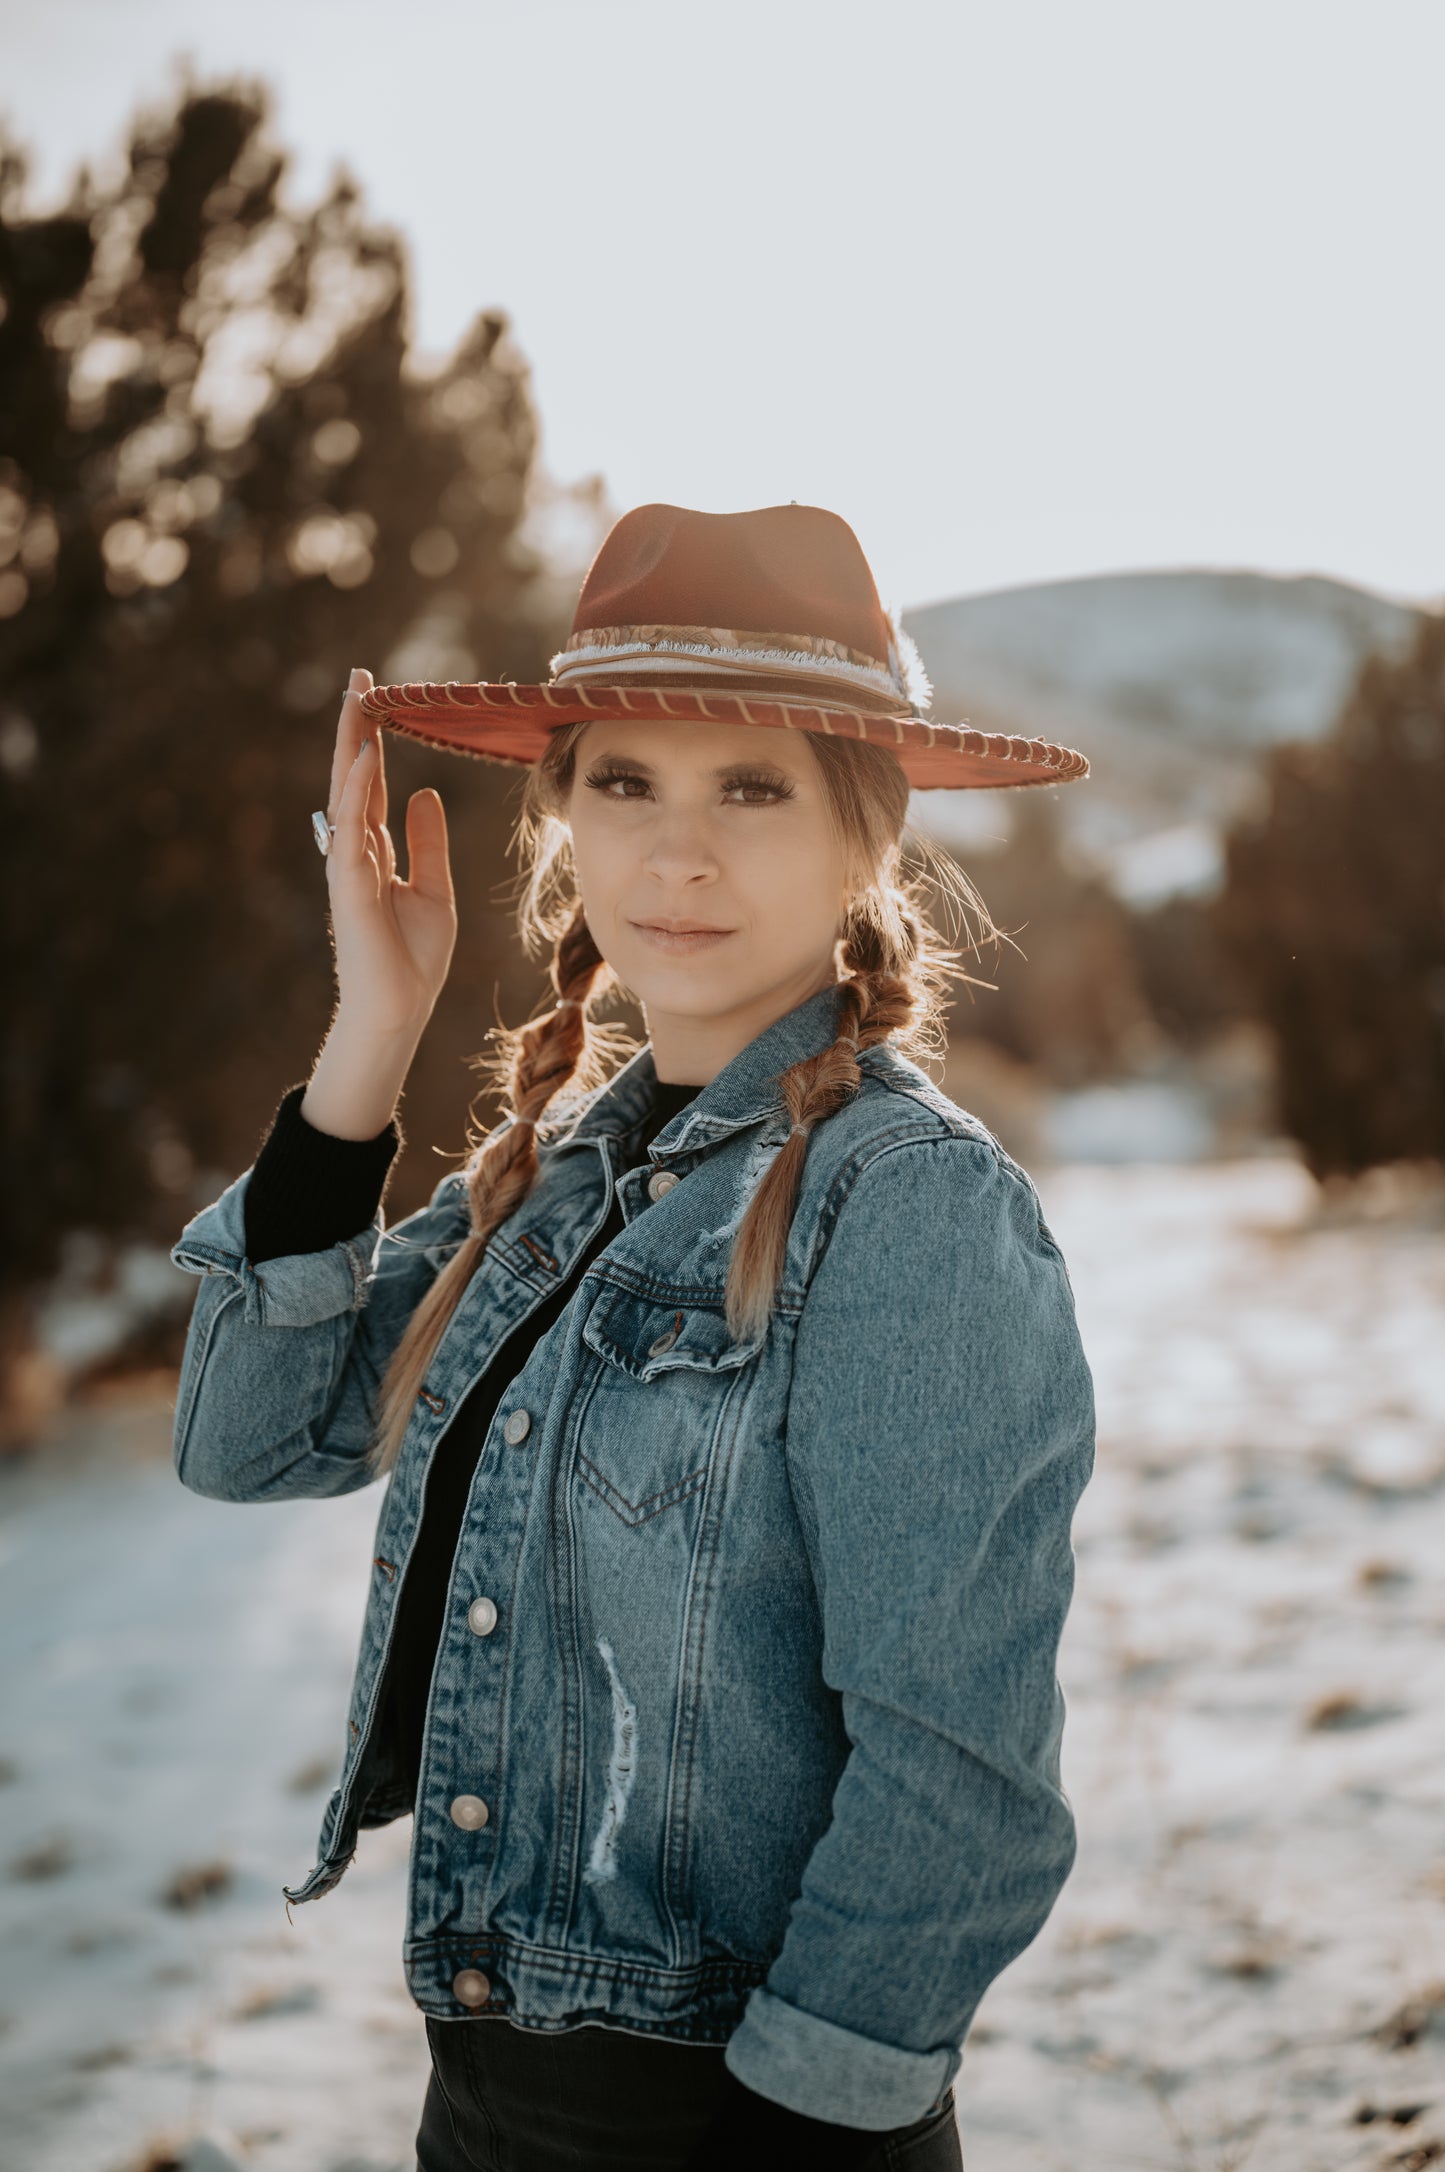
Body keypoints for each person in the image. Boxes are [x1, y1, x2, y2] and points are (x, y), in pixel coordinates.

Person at [169, 501, 1097, 2171]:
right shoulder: (560, 1169)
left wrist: (792, 2119)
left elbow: (961, 1780)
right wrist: (369, 1037)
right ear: (561, 829)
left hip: (749, 2119)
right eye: (625, 783)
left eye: (752, 788)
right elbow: (246, 1440)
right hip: (484, 2094)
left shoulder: (906, 1209)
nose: (680, 854)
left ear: (861, 842)